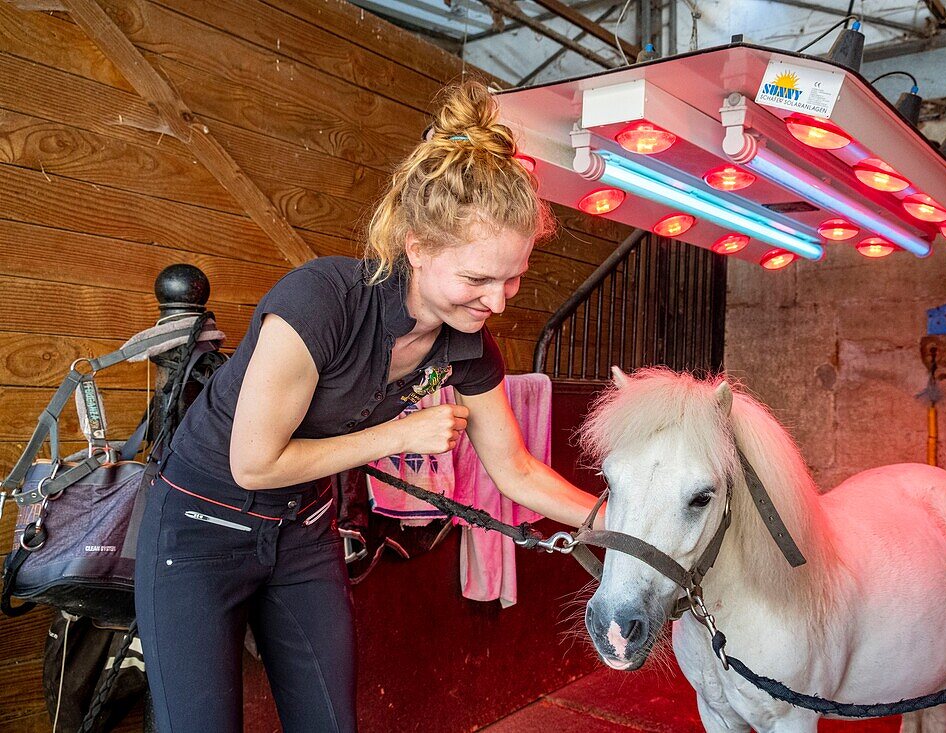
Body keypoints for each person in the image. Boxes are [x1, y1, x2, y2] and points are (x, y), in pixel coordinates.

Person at [135, 81, 603, 732]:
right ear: (417, 246)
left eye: (513, 275)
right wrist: (400, 433)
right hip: (201, 525)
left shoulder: (467, 344)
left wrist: (616, 518)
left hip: (301, 530)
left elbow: (515, 469)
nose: (498, 301)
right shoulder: (320, 303)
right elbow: (254, 463)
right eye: (477, 278)